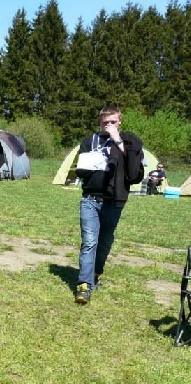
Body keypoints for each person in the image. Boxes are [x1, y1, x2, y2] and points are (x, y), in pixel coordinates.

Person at [74, 105, 144, 304]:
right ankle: (84, 285)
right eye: (105, 122)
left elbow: (134, 174)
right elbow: (81, 169)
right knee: (89, 242)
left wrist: (118, 141)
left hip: (114, 201)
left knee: (104, 241)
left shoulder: (130, 142)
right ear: (100, 123)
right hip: (91, 199)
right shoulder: (90, 141)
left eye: (113, 122)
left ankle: (96, 273)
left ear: (119, 122)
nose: (109, 126)